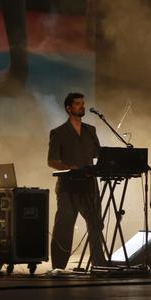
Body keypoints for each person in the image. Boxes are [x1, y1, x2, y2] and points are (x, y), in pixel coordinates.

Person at [47, 92, 105, 270]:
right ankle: (58, 266)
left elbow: (98, 154)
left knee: (95, 223)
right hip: (68, 186)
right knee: (64, 226)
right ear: (68, 108)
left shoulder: (90, 130)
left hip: (88, 184)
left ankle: (99, 264)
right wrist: (70, 167)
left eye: (83, 103)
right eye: (78, 104)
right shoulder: (59, 133)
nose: (82, 106)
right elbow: (52, 161)